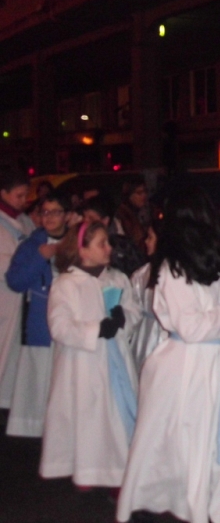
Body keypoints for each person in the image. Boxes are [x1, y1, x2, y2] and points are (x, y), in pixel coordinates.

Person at [117, 189, 220, 523]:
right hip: (188, 370)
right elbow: (192, 327)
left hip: (214, 366)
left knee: (215, 447)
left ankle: (217, 511)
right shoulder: (172, 269)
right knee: (187, 449)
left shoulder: (210, 265)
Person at [39, 221, 140, 490]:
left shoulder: (117, 278)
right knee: (88, 416)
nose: (109, 248)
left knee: (115, 414)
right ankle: (86, 468)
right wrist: (95, 329)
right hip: (82, 363)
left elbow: (133, 311)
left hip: (115, 359)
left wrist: (123, 319)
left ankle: (119, 469)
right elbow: (60, 326)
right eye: (101, 244)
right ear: (83, 251)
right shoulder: (66, 283)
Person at [5, 192, 70, 437]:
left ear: (66, 215)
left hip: (71, 322)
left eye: (56, 212)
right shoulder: (31, 245)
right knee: (40, 378)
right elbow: (15, 281)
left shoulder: (76, 242)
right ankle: (38, 428)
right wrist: (41, 258)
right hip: (41, 323)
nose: (50, 217)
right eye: (45, 212)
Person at [0, 170, 35, 410]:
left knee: (13, 354)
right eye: (18, 195)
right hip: (4, 294)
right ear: (3, 193)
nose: (23, 201)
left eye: (25, 196)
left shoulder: (25, 221)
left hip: (21, 296)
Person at [129, 221, 166, 376]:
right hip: (144, 335)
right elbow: (132, 307)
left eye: (150, 238)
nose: (146, 242)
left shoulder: (172, 274)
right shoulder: (141, 275)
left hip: (165, 338)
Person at [82, 193, 146, 277]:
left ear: (105, 221)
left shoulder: (123, 247)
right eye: (84, 217)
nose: (86, 223)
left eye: (91, 219)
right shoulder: (79, 238)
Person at [115, 177, 150, 256]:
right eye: (139, 193)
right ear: (129, 195)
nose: (144, 196)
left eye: (145, 191)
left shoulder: (146, 211)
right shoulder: (123, 215)